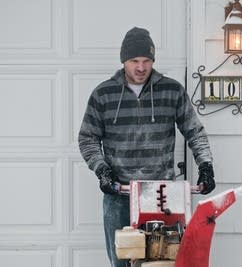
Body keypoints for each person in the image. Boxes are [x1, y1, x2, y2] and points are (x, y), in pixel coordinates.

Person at [78, 26, 215, 267]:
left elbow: (195, 132)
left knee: (162, 261)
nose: (141, 68)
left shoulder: (171, 91)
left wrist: (205, 166)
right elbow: (87, 138)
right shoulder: (103, 94)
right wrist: (102, 171)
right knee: (121, 262)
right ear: (123, 61)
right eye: (134, 61)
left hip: (162, 195)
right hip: (119, 194)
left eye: (146, 61)